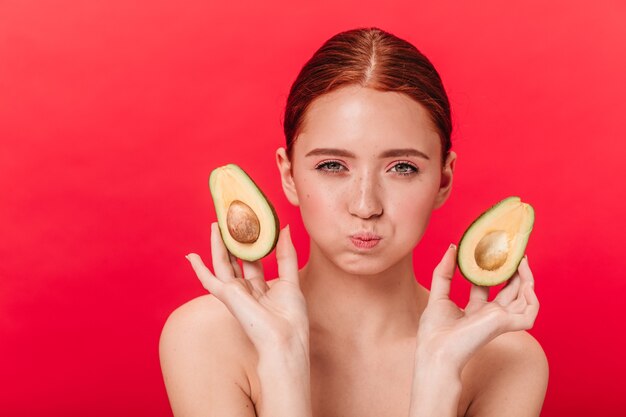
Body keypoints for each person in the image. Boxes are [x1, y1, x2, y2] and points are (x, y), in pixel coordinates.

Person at [159, 27, 549, 417]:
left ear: (443, 180)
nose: (366, 205)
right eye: (332, 165)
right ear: (289, 175)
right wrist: (281, 359)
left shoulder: (505, 360)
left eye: (402, 167)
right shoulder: (205, 337)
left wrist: (440, 372)